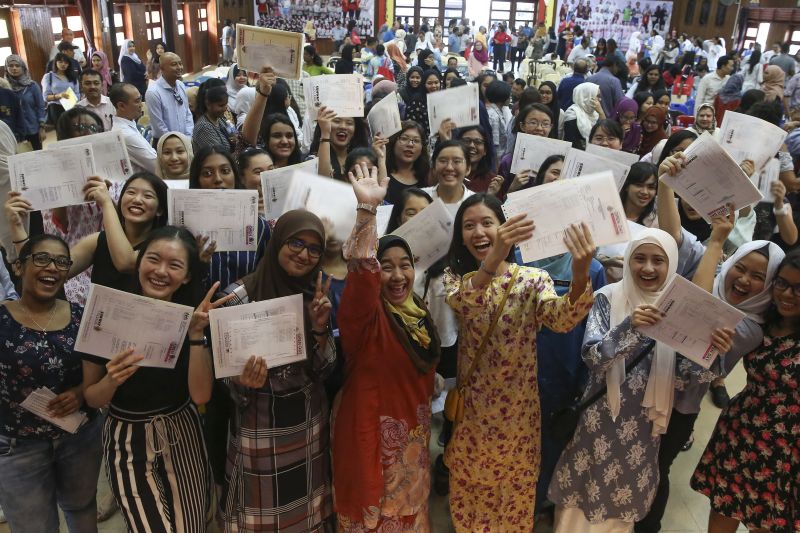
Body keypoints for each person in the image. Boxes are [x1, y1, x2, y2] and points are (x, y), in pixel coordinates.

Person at [549, 228, 734, 532]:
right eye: (640, 258)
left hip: (643, 429)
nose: (648, 268)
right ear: (628, 261)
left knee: (621, 508)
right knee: (578, 507)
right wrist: (629, 327)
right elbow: (594, 359)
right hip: (598, 423)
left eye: (658, 260)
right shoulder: (607, 298)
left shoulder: (680, 313)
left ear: (671, 264)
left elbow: (691, 376)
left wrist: (714, 351)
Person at [444, 192, 595, 531]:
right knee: (470, 505)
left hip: (519, 417)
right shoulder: (456, 279)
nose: (479, 232)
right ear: (460, 236)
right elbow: (465, 305)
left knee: (513, 505)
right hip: (475, 416)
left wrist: (581, 274)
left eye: (488, 223)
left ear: (505, 227)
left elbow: (561, 320)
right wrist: (492, 260)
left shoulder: (533, 279)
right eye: (469, 226)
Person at [82, 226, 227, 532]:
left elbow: (200, 396)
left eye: (174, 265)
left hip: (182, 431)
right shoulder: (108, 312)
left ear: (187, 275)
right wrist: (112, 380)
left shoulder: (193, 317)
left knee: (192, 525)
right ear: (139, 261)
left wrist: (197, 336)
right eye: (153, 259)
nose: (161, 271)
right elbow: (92, 397)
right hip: (126, 438)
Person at [332, 163, 439, 530]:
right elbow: (362, 271)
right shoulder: (366, 317)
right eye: (387, 267)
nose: (397, 276)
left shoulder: (418, 313)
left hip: (415, 448)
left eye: (404, 265)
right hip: (372, 449)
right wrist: (367, 211)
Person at [218, 210, 336, 531]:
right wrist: (241, 381)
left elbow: (325, 370)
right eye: (296, 243)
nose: (304, 254)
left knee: (308, 515)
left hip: (308, 426)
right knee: (260, 517)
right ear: (277, 242)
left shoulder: (317, 294)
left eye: (314, 249)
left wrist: (320, 329)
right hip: (261, 429)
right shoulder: (237, 298)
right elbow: (224, 381)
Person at [0, 235, 103, 533]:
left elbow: (102, 372)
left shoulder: (82, 319)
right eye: (42, 259)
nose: (53, 267)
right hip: (18, 447)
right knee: (34, 527)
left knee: (82, 509)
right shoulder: (2, 321)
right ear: (19, 267)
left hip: (79, 438)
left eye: (61, 262)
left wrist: (81, 392)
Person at [691, 252, 800, 533]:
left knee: (765, 525)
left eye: (798, 288)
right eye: (782, 283)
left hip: (786, 452)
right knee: (721, 517)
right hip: (741, 433)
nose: (787, 294)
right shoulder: (762, 320)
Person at [145, 52, 193, 142]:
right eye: (174, 64)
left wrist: (188, 137)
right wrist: (176, 142)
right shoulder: (153, 92)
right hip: (164, 142)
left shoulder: (181, 85)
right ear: (162, 68)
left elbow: (187, 114)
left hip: (184, 141)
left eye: (180, 63)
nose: (179, 67)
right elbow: (158, 125)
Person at [111, 83, 157, 174]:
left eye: (140, 99)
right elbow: (156, 165)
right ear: (121, 106)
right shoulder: (125, 134)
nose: (141, 105)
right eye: (137, 101)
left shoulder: (128, 124)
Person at [4, 55, 46, 150]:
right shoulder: (4, 88)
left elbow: (40, 107)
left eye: (17, 65)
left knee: (37, 157)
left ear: (23, 68)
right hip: (13, 132)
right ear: (6, 68)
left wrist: (42, 128)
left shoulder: (32, 86)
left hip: (32, 129)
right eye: (11, 66)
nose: (14, 68)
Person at [385, 120, 430, 205]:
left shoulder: (427, 177)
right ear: (393, 142)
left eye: (416, 141)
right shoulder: (382, 172)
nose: (410, 144)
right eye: (404, 139)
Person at [192, 83, 233, 152]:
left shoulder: (220, 119)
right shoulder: (204, 127)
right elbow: (218, 155)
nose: (225, 108)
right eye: (221, 105)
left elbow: (233, 132)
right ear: (208, 104)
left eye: (226, 104)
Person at [42, 52, 80, 127]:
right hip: (56, 107)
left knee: (73, 131)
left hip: (71, 106)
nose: (63, 64)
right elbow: (45, 97)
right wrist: (59, 95)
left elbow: (77, 94)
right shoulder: (48, 76)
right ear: (55, 62)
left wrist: (74, 101)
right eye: (60, 62)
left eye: (66, 62)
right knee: (61, 131)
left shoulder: (73, 76)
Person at [564, 82, 602, 150]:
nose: (600, 99)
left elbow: (606, 131)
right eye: (597, 96)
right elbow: (572, 143)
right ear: (587, 97)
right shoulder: (572, 114)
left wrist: (601, 113)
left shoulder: (595, 114)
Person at [237, 148, 273, 214]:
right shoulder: (237, 211)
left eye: (271, 170)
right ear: (242, 178)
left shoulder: (288, 201)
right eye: (258, 172)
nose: (267, 177)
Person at [485, 80, 513, 160]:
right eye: (509, 95)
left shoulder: (497, 112)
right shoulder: (494, 116)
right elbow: (495, 145)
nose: (510, 97)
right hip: (496, 160)